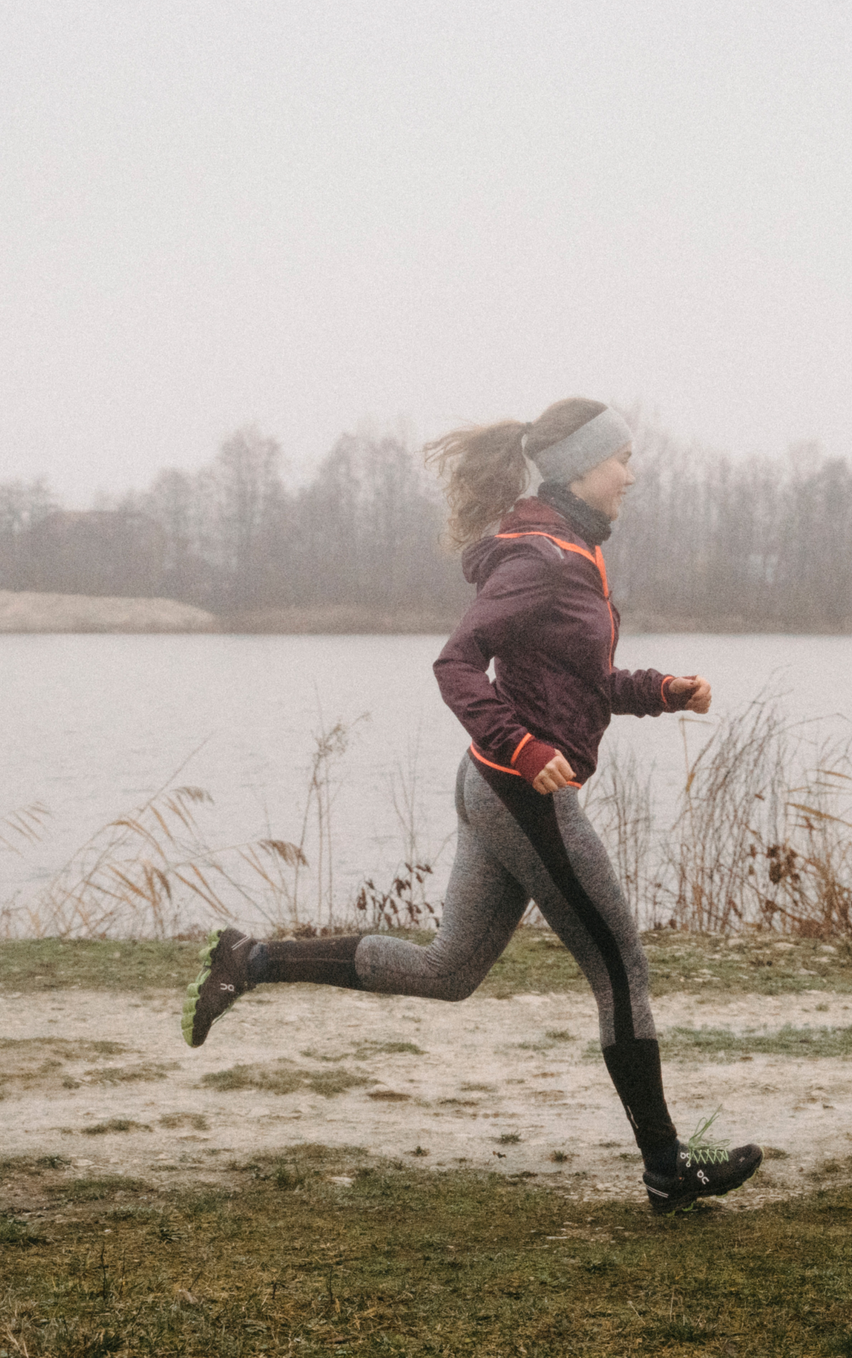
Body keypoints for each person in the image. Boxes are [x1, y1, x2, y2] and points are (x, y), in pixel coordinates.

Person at [181, 397, 762, 1214]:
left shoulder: (568, 553)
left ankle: (251, 961)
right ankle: (668, 1168)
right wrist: (526, 750)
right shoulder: (545, 561)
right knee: (620, 969)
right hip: (518, 790)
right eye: (622, 458)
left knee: (449, 970)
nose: (633, 473)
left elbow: (575, 681)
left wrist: (664, 691)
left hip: (493, 785)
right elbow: (458, 665)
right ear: (581, 469)